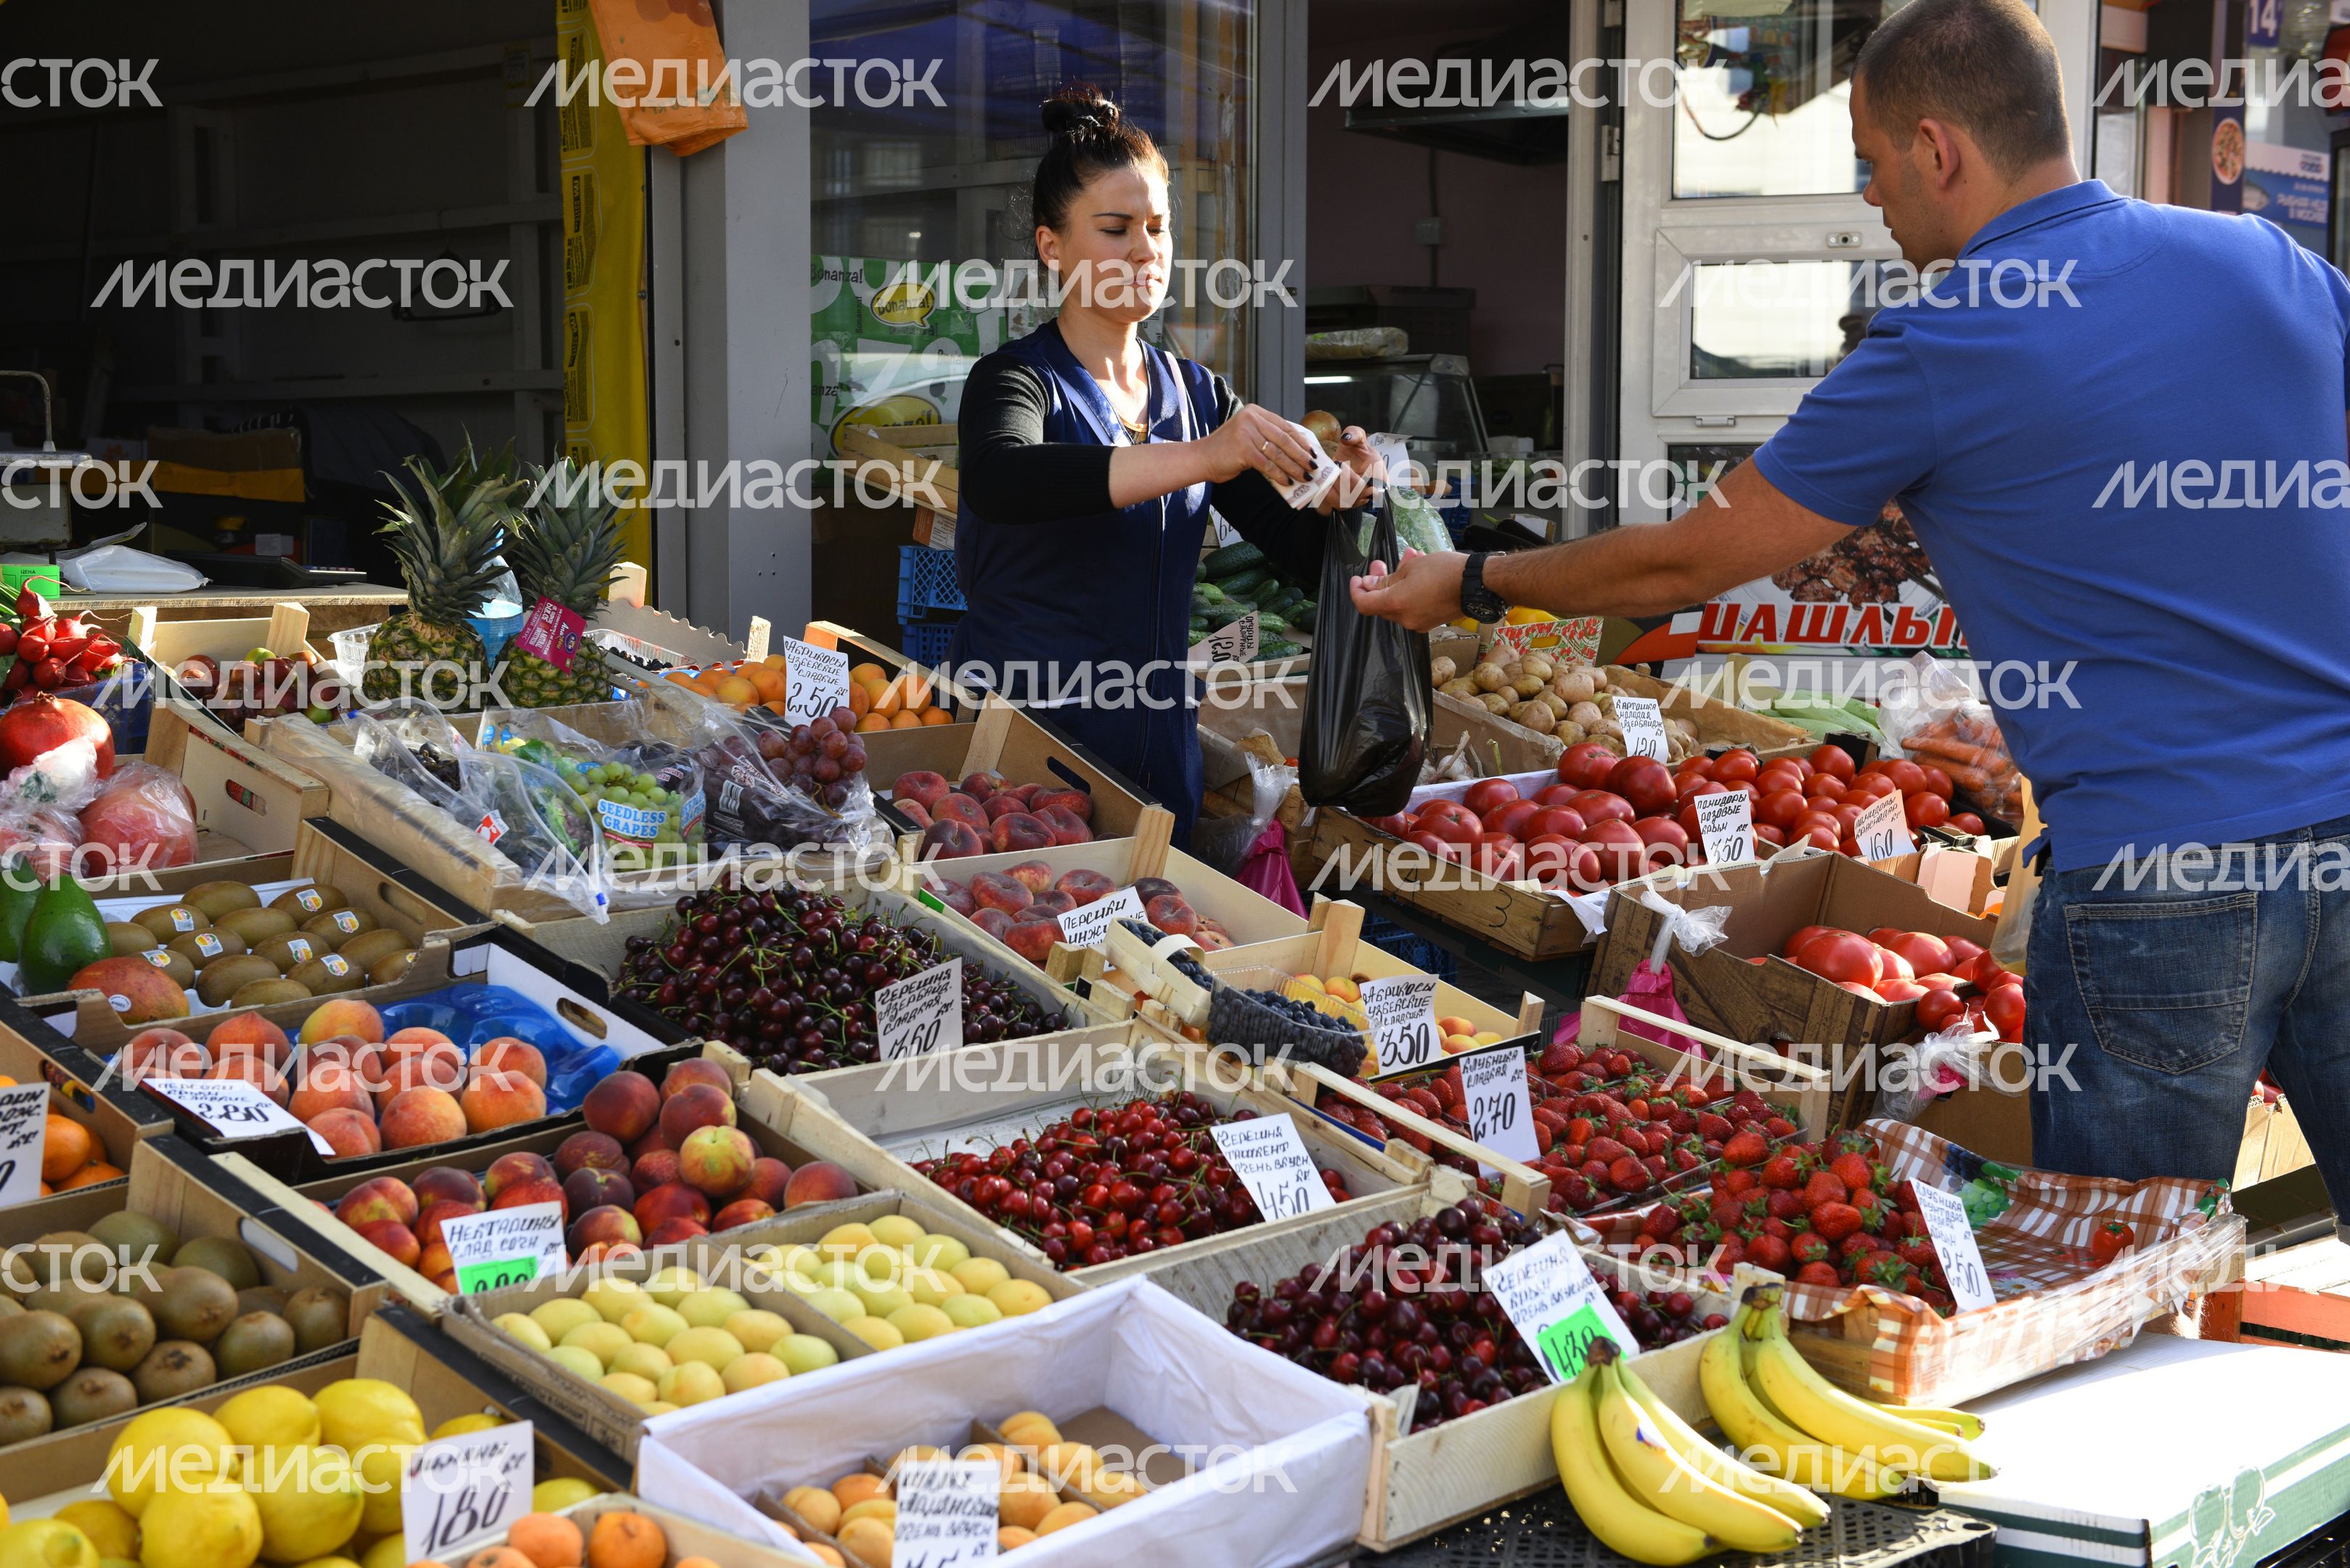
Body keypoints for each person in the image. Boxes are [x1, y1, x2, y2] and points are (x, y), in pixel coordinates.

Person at [1350, 0, 2350, 1201]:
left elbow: (1686, 562)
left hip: (2156, 883)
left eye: (1871, 164)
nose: (1872, 197)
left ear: (1938, 149)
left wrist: (1471, 579)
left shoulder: (1948, 338)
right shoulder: (2268, 262)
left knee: (2119, 1284)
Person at [952, 84, 1374, 844]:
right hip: (1023, 754)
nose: (1146, 252)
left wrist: (1347, 506)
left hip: (1154, 745)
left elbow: (1302, 554)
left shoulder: (1195, 391)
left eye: (1159, 228)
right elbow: (998, 480)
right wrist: (1205, 456)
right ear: (1053, 247)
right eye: (1116, 229)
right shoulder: (1016, 380)